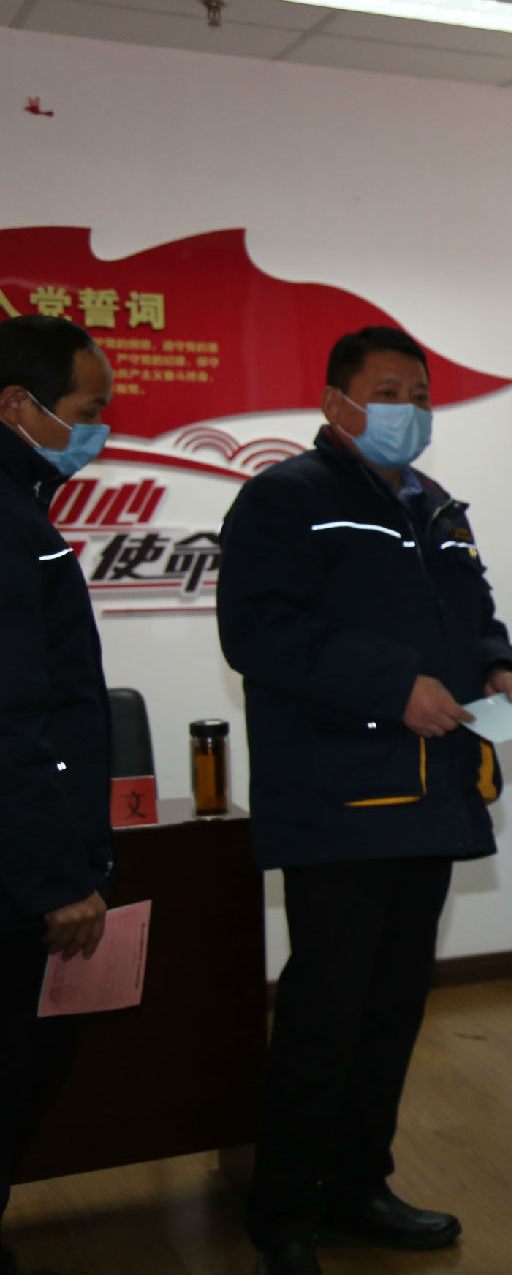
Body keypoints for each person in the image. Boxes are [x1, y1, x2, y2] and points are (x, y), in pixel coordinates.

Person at [217, 325, 512, 1275]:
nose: (410, 411)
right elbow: (258, 631)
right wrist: (392, 685)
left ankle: (359, 1186)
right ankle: (285, 1215)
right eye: (388, 393)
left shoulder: (435, 504)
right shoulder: (285, 497)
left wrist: (498, 663)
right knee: (325, 1013)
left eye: (420, 395)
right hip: (339, 801)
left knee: (394, 1007)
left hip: (432, 793)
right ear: (336, 402)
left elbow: (471, 614)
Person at [0, 315, 115, 1273]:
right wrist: (56, 878)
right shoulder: (5, 522)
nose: (99, 428)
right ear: (17, 405)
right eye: (87, 408)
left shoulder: (21, 508)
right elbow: (12, 718)